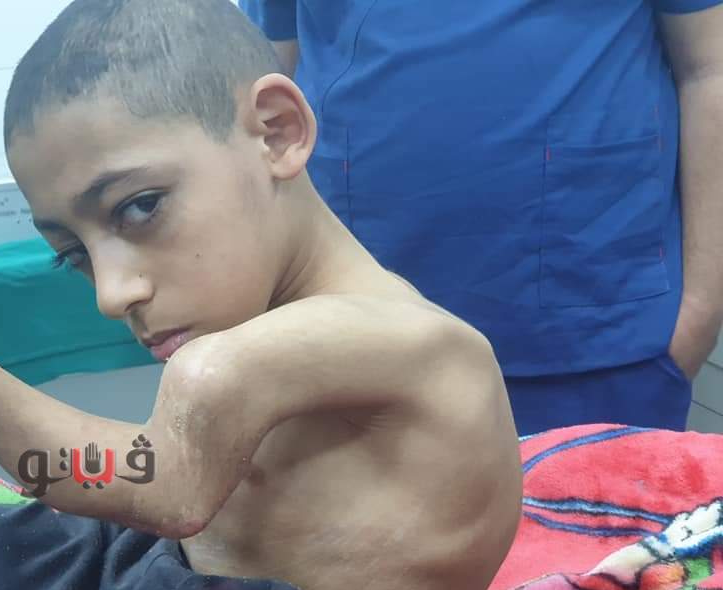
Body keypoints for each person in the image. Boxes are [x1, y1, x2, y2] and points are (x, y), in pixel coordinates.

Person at [0, 0, 523, 590]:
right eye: (74, 254)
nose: (111, 294)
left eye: (140, 207)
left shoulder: (397, 341)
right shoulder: (281, 340)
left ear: (276, 132)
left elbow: (164, 484)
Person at [240, 0, 723, 436]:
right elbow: (260, 89)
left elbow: (710, 67)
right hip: (353, 334)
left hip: (599, 337)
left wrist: (700, 314)